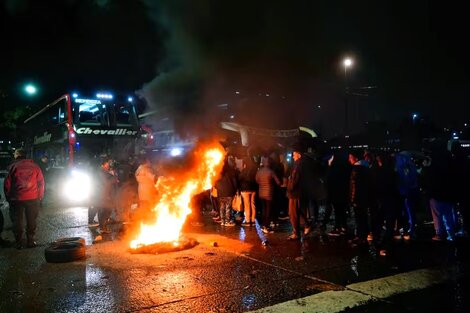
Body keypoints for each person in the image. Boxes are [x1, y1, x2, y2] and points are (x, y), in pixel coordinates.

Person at [3, 148, 45, 249]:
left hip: (16, 199)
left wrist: (8, 197)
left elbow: (7, 185)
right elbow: (41, 183)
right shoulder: (35, 167)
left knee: (17, 221)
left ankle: (18, 242)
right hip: (33, 197)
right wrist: (40, 196)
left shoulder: (12, 167)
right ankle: (30, 241)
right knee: (31, 220)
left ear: (17, 155)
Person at [92, 159, 119, 234]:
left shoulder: (102, 172)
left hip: (103, 193)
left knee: (105, 210)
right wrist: (114, 177)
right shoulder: (101, 172)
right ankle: (102, 227)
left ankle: (102, 227)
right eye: (107, 165)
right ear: (102, 165)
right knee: (106, 210)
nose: (108, 166)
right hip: (104, 194)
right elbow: (107, 182)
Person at [135, 156, 157, 222]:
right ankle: (149, 222)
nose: (150, 163)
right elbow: (152, 177)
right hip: (148, 192)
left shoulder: (138, 169)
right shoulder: (146, 169)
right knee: (149, 209)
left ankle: (144, 222)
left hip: (141, 192)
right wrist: (159, 178)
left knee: (144, 209)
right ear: (146, 162)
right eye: (149, 161)